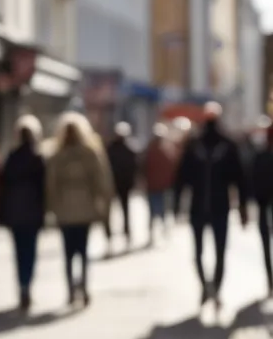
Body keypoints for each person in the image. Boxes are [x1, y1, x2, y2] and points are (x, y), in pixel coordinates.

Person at [174, 102, 248, 311]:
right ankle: (209, 287)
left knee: (217, 251)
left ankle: (213, 287)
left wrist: (242, 207)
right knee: (204, 252)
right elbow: (182, 177)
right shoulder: (198, 145)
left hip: (217, 207)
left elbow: (239, 179)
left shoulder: (224, 145)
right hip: (204, 207)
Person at [46, 112, 114, 307]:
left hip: (65, 211)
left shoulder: (57, 155)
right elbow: (101, 181)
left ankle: (70, 290)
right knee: (83, 251)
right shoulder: (89, 152)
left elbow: (51, 185)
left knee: (68, 253)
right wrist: (103, 204)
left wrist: (51, 208)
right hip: (85, 210)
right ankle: (83, 287)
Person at [0, 114, 45, 313]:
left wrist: (3, 213)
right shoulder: (37, 158)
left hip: (15, 212)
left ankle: (22, 287)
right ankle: (27, 286)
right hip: (32, 212)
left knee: (19, 252)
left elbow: (2, 186)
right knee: (31, 252)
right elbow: (43, 188)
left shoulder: (11, 157)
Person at [104, 121, 138, 252]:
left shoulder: (127, 148)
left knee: (124, 210)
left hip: (123, 184)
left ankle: (126, 233)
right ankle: (112, 235)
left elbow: (134, 167)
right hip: (115, 184)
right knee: (114, 211)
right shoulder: (111, 148)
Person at [143, 121, 178, 245]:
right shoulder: (152, 150)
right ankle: (154, 233)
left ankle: (162, 231)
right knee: (154, 211)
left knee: (161, 210)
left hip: (162, 186)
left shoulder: (166, 149)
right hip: (155, 186)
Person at [250, 120, 273, 296]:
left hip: (263, 206)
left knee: (266, 246)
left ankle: (270, 281)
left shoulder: (260, 156)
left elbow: (253, 183)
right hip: (264, 206)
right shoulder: (260, 156)